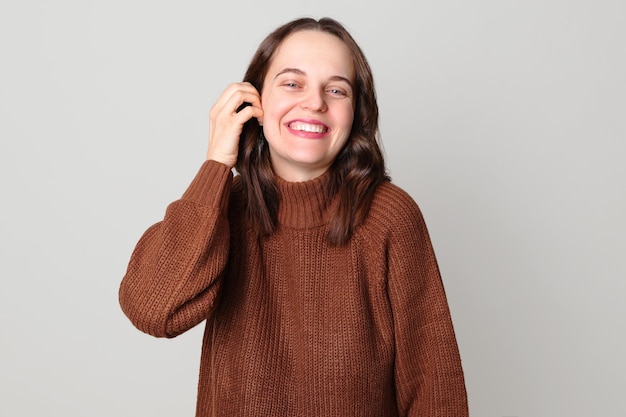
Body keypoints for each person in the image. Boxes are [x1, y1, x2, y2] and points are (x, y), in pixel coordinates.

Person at [119, 16, 469, 417]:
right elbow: (154, 310)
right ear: (254, 103)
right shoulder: (222, 211)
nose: (315, 102)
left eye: (336, 89)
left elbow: (434, 388)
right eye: (292, 83)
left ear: (356, 112)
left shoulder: (390, 217)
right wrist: (216, 163)